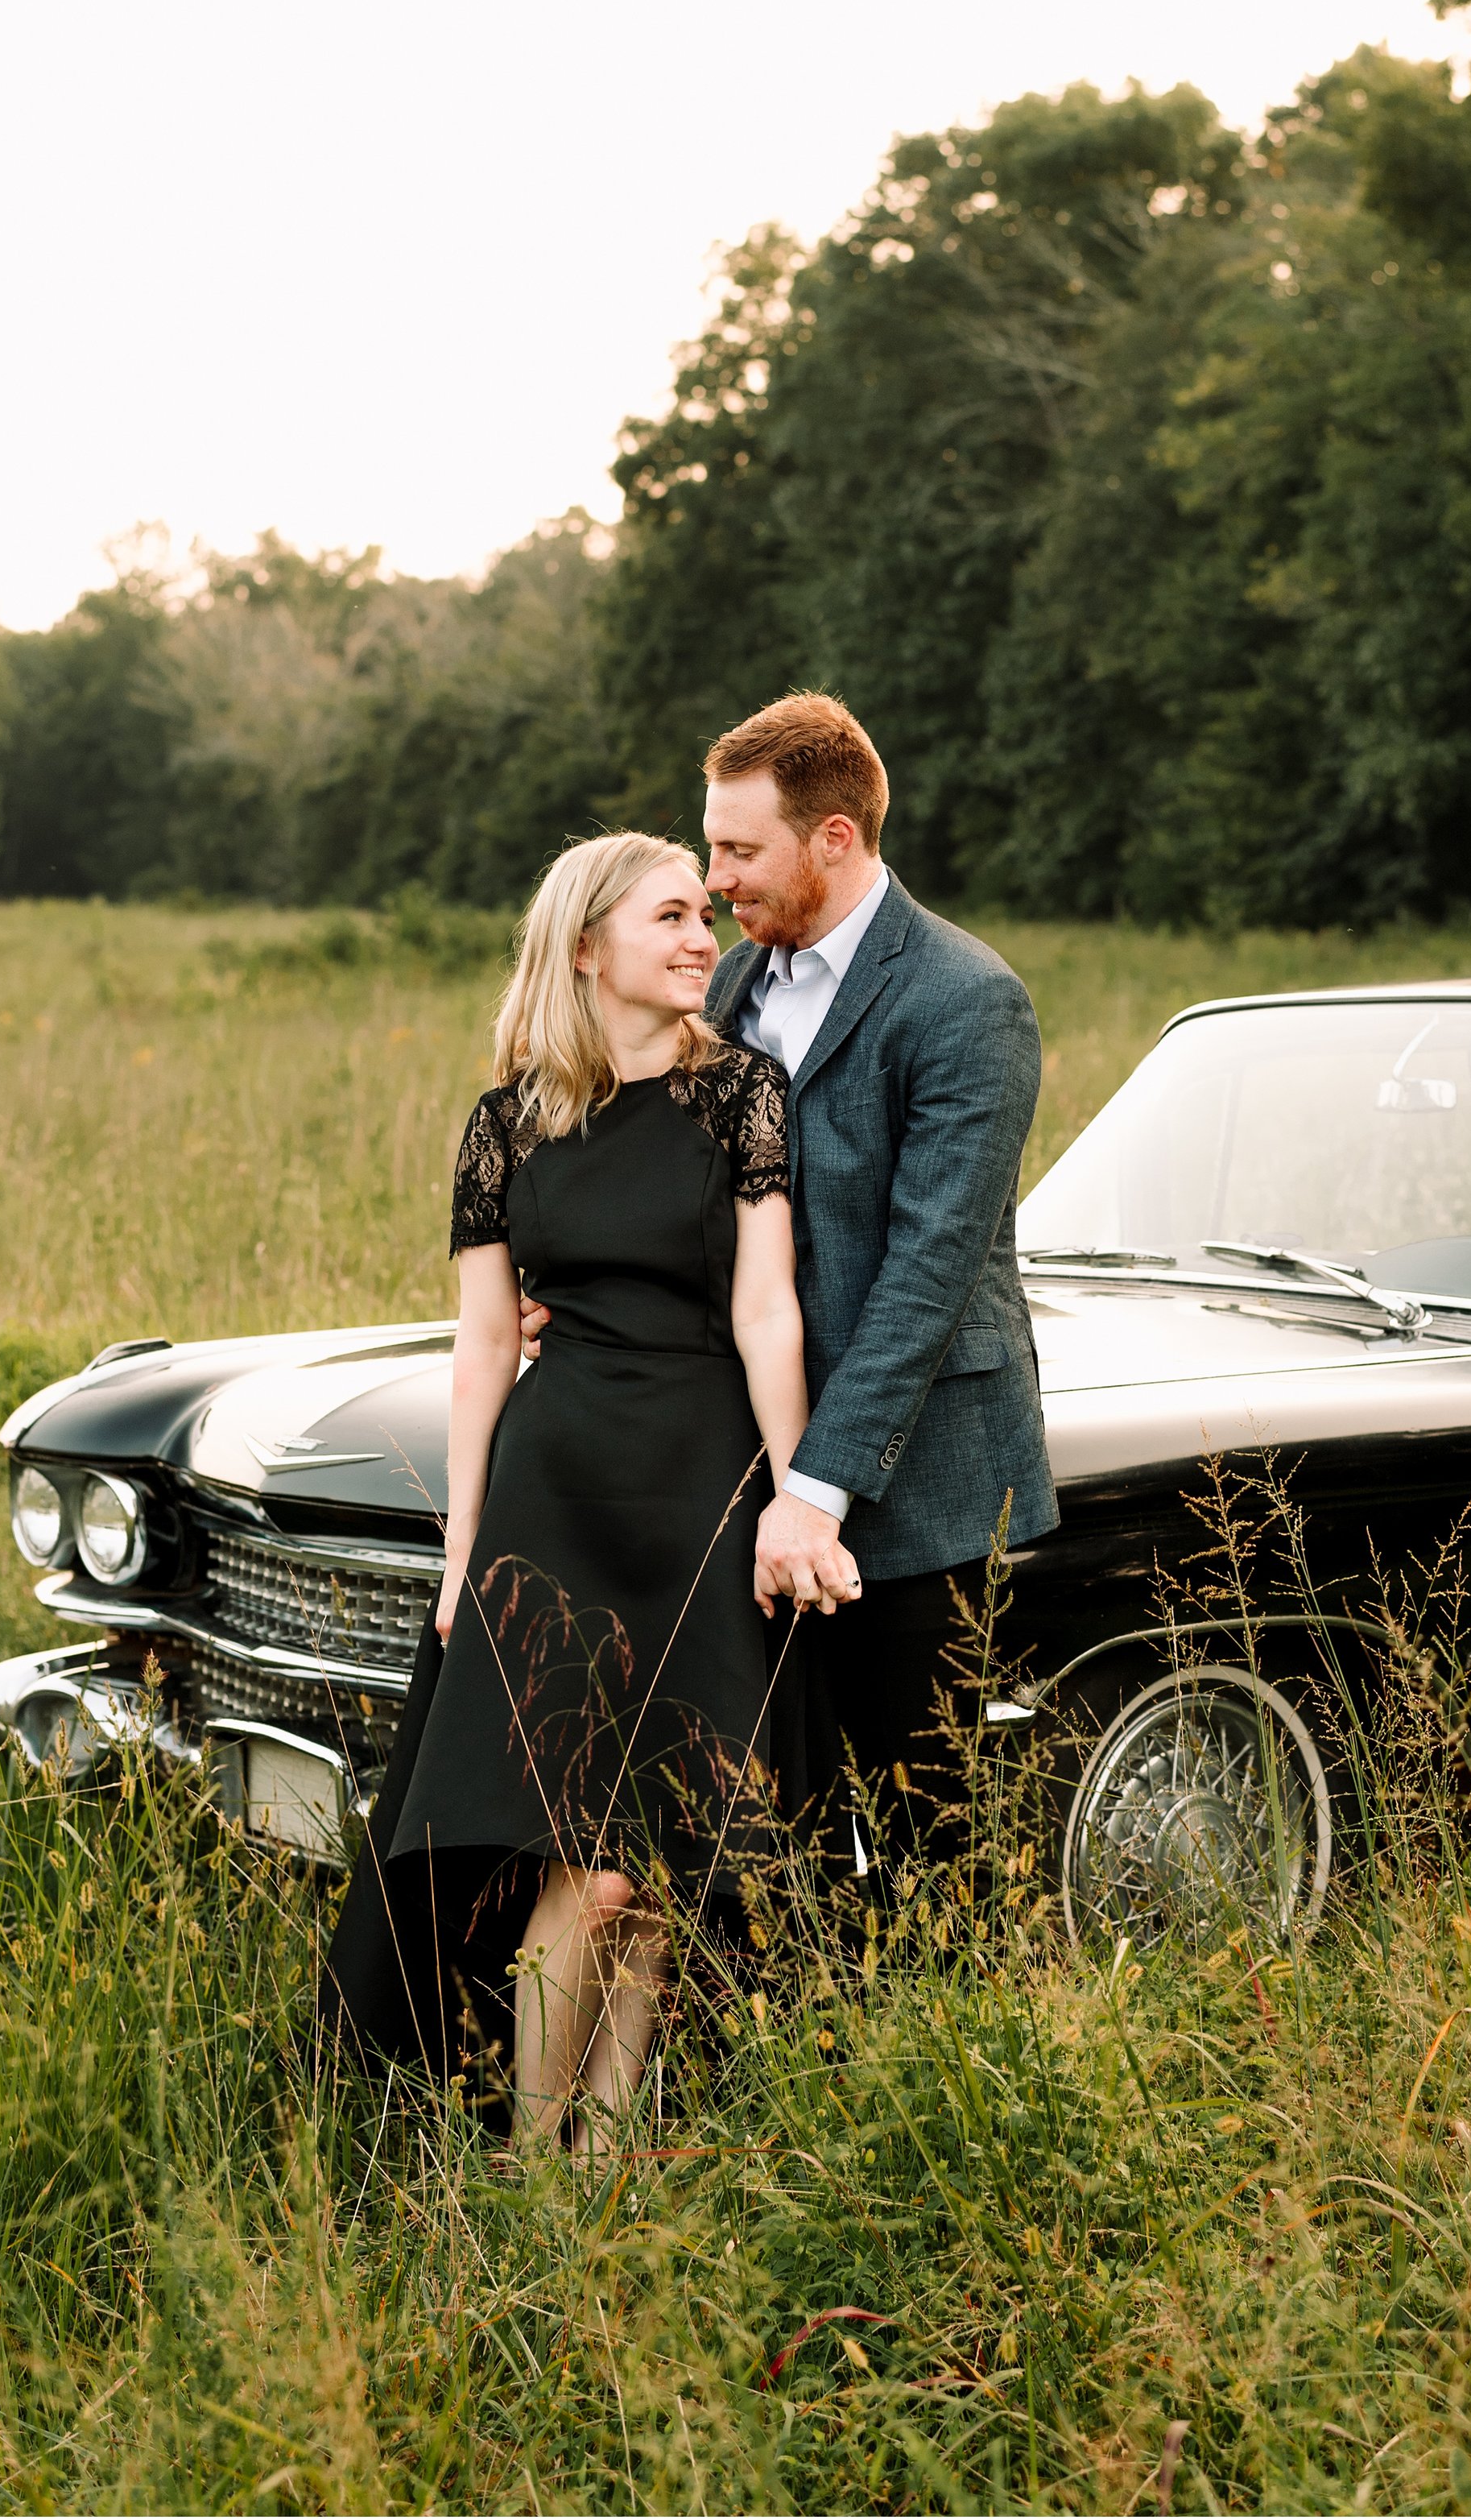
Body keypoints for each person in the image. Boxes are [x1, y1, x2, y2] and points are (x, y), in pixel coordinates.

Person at [320, 831, 820, 2149]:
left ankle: (604, 2171)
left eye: (705, 914)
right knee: (577, 1869)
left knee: (653, 1868)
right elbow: (484, 1345)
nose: (702, 936)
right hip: (557, 1502)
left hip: (701, 1496)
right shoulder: (507, 1122)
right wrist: (465, 1540)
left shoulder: (744, 1098)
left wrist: (794, 1489)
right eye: (671, 916)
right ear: (588, 946)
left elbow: (768, 1311)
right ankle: (532, 2175)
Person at [523, 693, 1057, 1864]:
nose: (714, 883)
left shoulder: (968, 1002)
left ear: (834, 838)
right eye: (711, 849)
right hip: (735, 1469)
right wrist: (569, 1287)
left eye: (738, 849)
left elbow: (927, 1277)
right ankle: (799, 2042)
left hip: (917, 1487)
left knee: (930, 1838)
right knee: (773, 1823)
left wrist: (815, 1490)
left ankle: (943, 2044)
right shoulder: (724, 989)